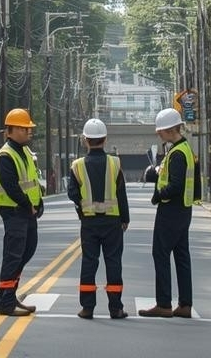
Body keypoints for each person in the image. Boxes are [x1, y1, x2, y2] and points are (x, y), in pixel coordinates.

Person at [138, 107, 201, 319]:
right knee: (182, 256)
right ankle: (185, 304)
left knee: (161, 253)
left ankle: (164, 304)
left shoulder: (176, 154)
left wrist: (157, 196)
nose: (158, 134)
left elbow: (175, 185)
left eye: (161, 131)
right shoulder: (184, 150)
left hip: (171, 210)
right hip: (184, 209)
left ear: (170, 130)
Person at [67, 118, 130, 320]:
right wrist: (125, 219)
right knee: (113, 263)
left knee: (89, 262)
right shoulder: (115, 163)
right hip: (113, 222)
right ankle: (115, 308)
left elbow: (72, 193)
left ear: (85, 140)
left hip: (89, 223)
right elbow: (121, 193)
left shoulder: (77, 166)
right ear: (104, 139)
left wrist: (82, 208)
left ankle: (87, 307)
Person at [0, 108, 43, 316]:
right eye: (25, 128)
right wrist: (28, 204)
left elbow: (32, 182)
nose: (29, 132)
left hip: (27, 212)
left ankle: (5, 291)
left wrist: (39, 202)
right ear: (11, 130)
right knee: (14, 255)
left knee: (27, 250)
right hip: (14, 212)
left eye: (29, 128)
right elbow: (11, 187)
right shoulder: (5, 155)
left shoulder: (25, 152)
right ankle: (6, 302)